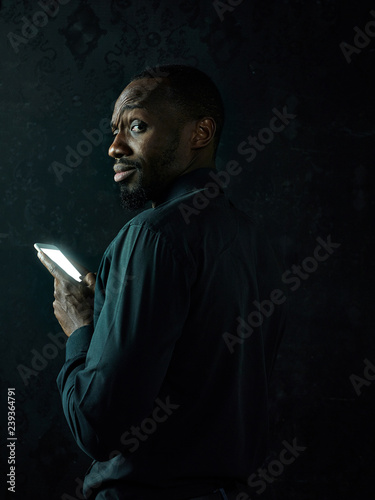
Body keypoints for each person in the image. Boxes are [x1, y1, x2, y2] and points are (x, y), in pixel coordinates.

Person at [37, 64, 287, 500]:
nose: (114, 146)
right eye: (114, 130)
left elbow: (98, 429)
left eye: (137, 126)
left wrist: (81, 327)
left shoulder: (152, 234)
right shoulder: (255, 242)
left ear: (200, 133)